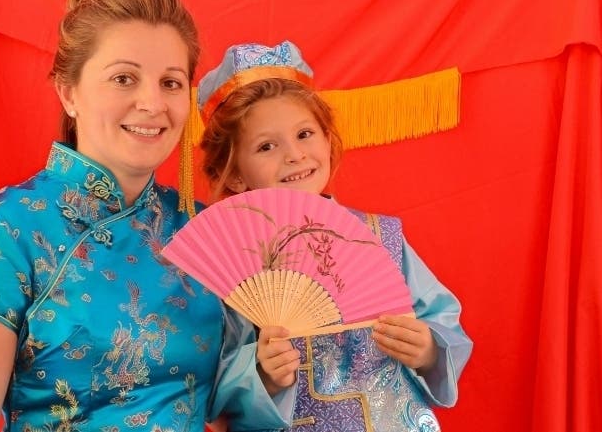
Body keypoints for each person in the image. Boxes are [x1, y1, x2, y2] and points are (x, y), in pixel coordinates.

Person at [0, 0, 298, 432]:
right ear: (69, 92)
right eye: (124, 78)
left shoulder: (208, 233)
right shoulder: (6, 230)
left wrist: (266, 377)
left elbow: (235, 409)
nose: (152, 103)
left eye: (170, 83)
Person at [196, 40, 473, 432]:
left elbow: (443, 321)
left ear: (328, 139)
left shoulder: (380, 236)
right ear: (236, 174)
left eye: (305, 133)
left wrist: (429, 350)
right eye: (266, 146)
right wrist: (260, 374)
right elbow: (212, 376)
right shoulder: (234, 266)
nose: (294, 155)